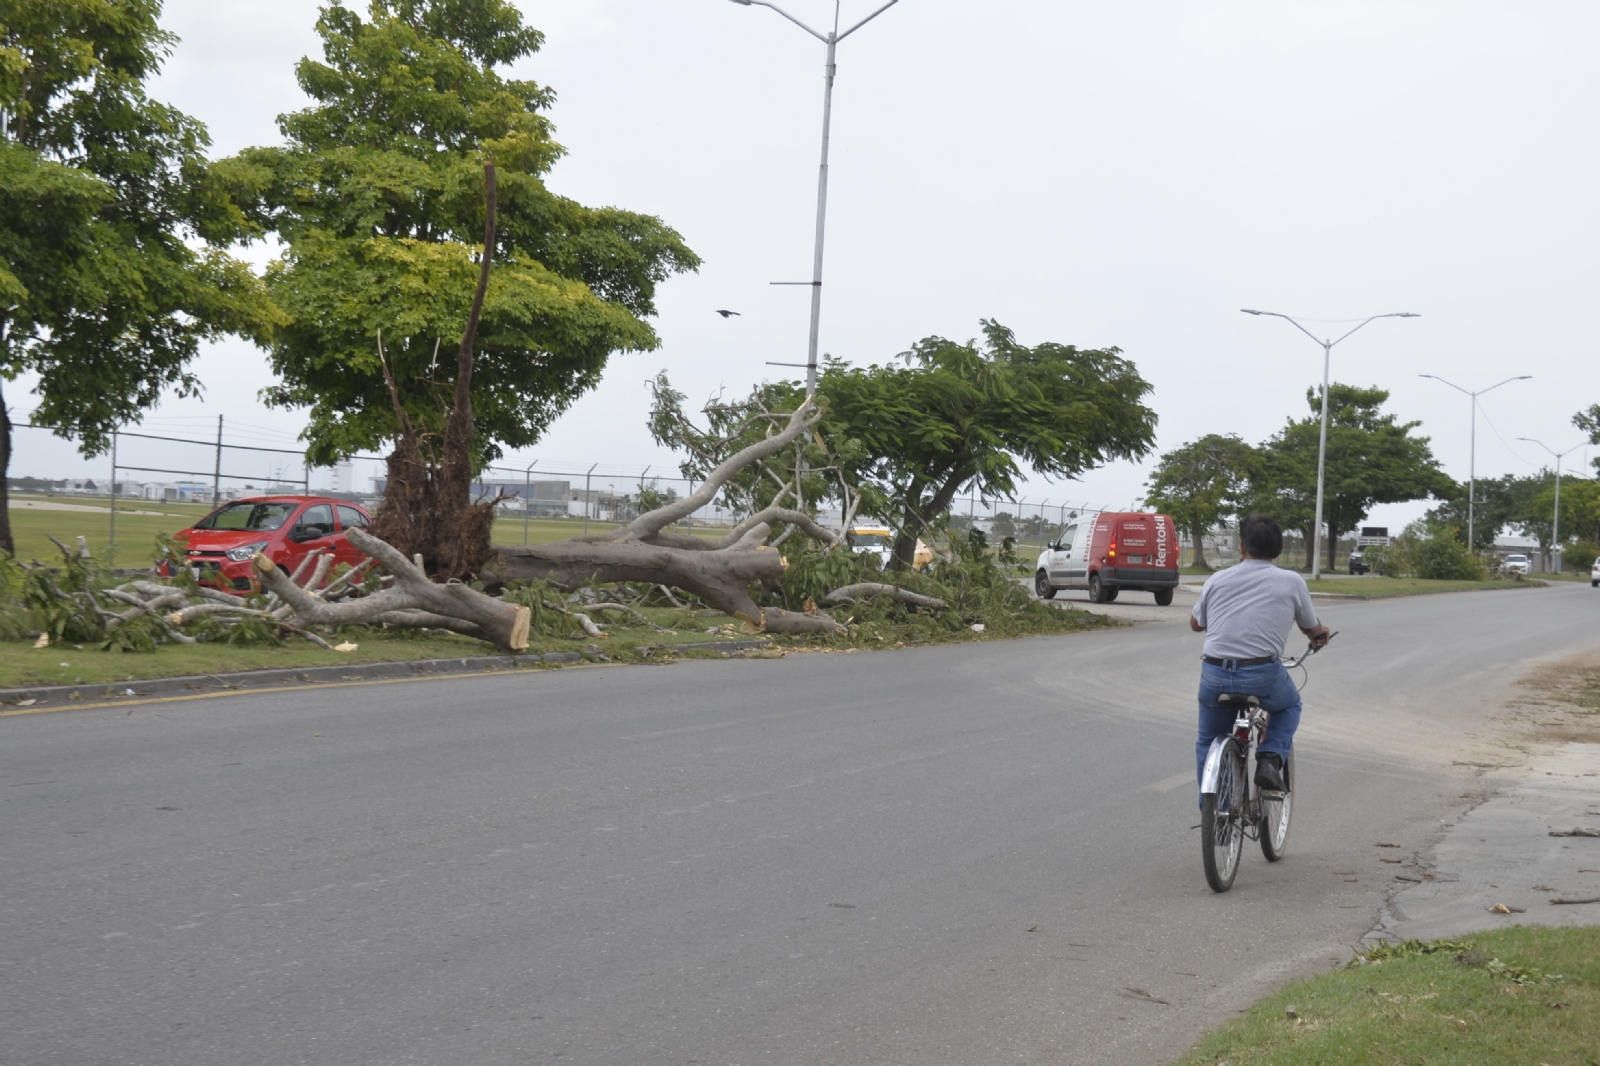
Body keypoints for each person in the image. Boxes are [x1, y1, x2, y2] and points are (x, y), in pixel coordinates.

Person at [1189, 513, 1331, 792]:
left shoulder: (1218, 579)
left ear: (1241, 546)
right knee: (1290, 705)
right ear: (1277, 548)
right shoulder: (1292, 582)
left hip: (1214, 675)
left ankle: (1215, 810)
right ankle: (1269, 757)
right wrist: (1320, 635)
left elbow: (1197, 624)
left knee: (1208, 740)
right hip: (1262, 676)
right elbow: (1310, 627)